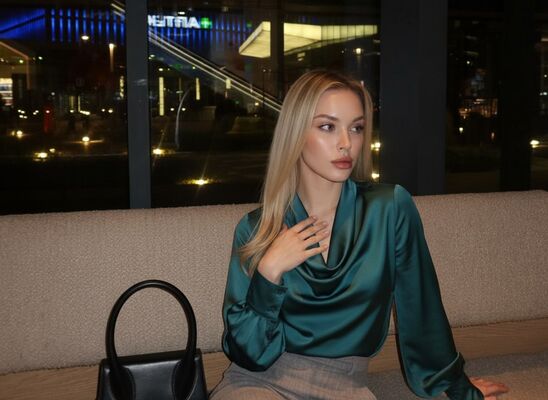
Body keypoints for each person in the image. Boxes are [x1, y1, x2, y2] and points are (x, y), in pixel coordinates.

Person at [210, 70, 508, 400]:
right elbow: (249, 354)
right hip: (258, 383)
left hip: (345, 385)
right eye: (328, 127)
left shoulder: (388, 209)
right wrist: (270, 271)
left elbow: (422, 309)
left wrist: (457, 387)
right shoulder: (257, 228)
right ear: (295, 133)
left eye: (356, 128)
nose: (346, 143)